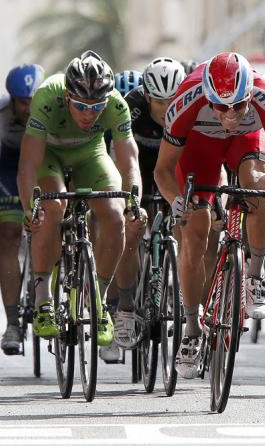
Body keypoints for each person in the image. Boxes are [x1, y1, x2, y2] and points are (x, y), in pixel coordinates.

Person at [154, 51, 265, 379]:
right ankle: (192, 329)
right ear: (208, 95)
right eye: (221, 106)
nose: (230, 114)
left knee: (260, 184)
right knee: (194, 231)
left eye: (239, 105)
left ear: (250, 93)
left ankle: (254, 274)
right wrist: (176, 200)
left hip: (247, 143)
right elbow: (162, 169)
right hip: (199, 146)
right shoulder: (186, 100)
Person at [17, 50, 142, 347]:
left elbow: (129, 161)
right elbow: (28, 165)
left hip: (90, 155)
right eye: (80, 106)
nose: (89, 114)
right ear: (67, 95)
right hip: (50, 156)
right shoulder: (48, 97)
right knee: (53, 205)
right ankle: (43, 296)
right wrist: (29, 209)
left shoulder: (116, 105)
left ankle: (98, 297)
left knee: (114, 212)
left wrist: (134, 200)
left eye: (97, 106)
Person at [100, 58, 185, 361]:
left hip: (171, 168)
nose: (166, 109)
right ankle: (123, 310)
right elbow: (117, 157)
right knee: (130, 229)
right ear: (146, 96)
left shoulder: (188, 107)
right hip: (135, 168)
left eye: (172, 101)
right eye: (160, 102)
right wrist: (126, 201)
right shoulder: (130, 106)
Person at [0, 64, 45, 355]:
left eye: (32, 101)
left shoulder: (53, 110)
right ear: (11, 99)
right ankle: (13, 322)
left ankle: (47, 296)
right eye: (21, 102)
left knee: (52, 224)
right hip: (9, 164)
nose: (28, 108)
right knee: (8, 234)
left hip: (44, 161)